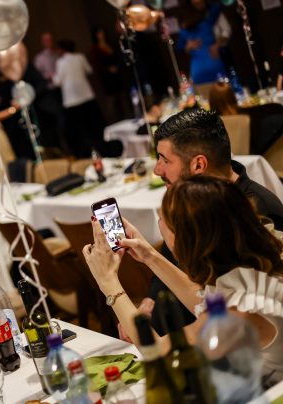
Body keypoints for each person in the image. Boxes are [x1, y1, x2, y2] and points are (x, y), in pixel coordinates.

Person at [84, 176, 283, 385]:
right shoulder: (258, 265)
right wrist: (149, 256)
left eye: (162, 218)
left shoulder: (235, 313)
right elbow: (203, 300)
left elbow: (159, 352)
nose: (158, 219)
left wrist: (108, 282)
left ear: (184, 243)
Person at [145, 108, 283, 334]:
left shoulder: (257, 212)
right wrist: (149, 301)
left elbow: (234, 304)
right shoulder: (192, 203)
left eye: (165, 159)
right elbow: (168, 261)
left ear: (198, 165)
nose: (157, 169)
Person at [53, 39, 120, 158]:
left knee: (80, 132)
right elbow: (89, 70)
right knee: (94, 127)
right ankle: (105, 151)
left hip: (72, 101)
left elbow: (58, 81)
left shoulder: (61, 62)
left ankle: (87, 154)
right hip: (87, 96)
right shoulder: (80, 57)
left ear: (62, 50)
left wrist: (53, 76)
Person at [178, 0, 228, 85]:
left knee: (221, 87)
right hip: (198, 66)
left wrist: (217, 45)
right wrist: (187, 47)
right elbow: (180, 47)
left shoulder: (211, 14)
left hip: (213, 60)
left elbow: (226, 31)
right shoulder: (185, 23)